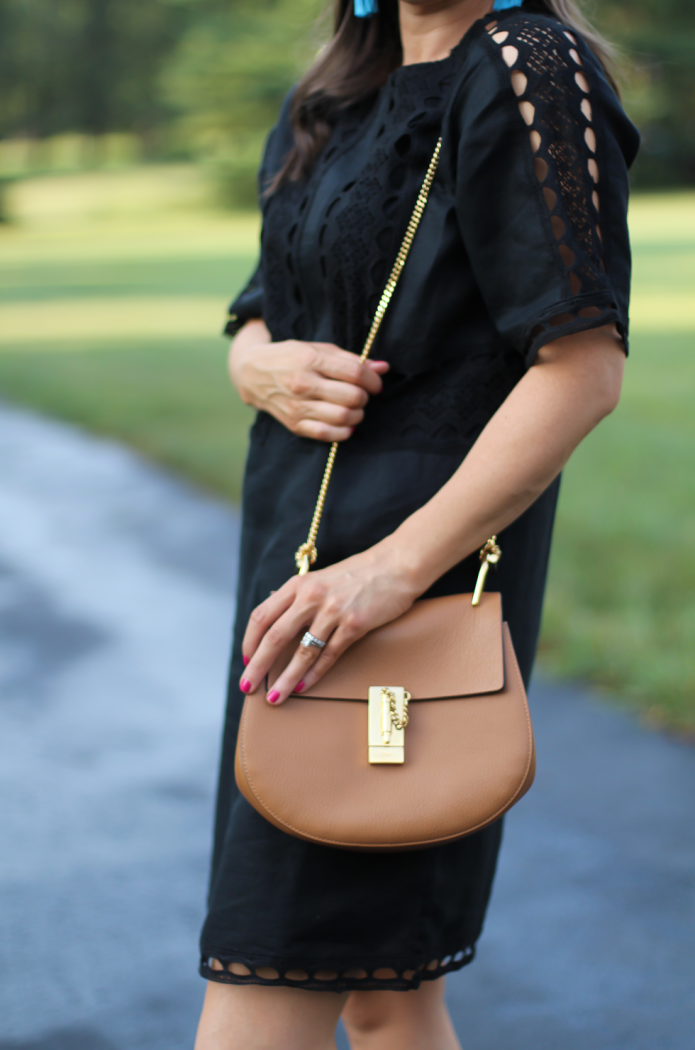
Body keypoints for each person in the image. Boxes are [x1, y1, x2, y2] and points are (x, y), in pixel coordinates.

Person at [195, 0, 639, 1046]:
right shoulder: (335, 89)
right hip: (295, 581)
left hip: (398, 598)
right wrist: (257, 367)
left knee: (270, 975)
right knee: (384, 994)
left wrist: (387, 573)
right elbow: (259, 305)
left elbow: (580, 370)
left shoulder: (528, 62)